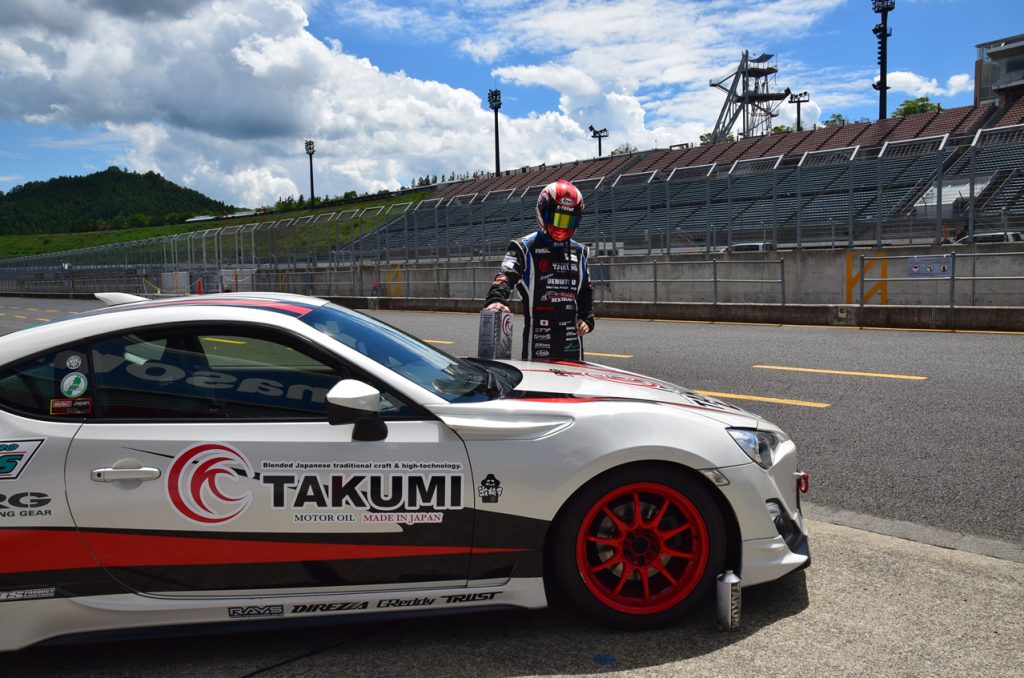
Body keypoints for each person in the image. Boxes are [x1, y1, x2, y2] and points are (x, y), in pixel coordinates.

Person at [483, 179, 595, 361]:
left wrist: (586, 318)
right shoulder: (524, 247)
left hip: (572, 340)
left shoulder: (580, 252)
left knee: (574, 379)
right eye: (557, 218)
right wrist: (496, 298)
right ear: (543, 212)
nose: (562, 226)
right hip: (538, 342)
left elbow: (585, 289)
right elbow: (505, 275)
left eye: (568, 220)